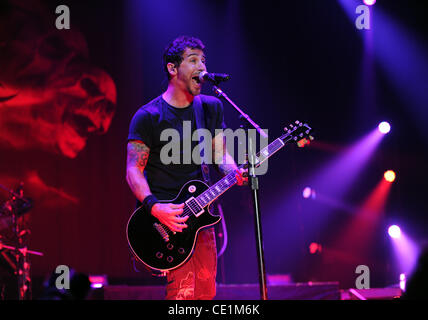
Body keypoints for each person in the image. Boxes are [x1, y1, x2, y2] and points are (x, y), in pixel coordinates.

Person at [126, 35, 247, 300]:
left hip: (201, 218)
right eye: (193, 60)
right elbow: (133, 170)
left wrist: (233, 171)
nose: (202, 67)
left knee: (205, 292)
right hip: (164, 219)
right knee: (181, 293)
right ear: (172, 68)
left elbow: (220, 155)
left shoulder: (211, 108)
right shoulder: (148, 116)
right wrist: (154, 207)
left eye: (204, 60)